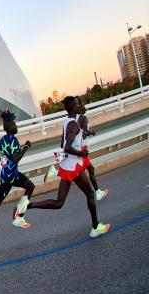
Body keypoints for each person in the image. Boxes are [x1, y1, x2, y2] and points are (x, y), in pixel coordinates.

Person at [25, 97, 111, 237]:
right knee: (90, 194)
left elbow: (62, 144)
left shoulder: (66, 122)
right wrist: (80, 152)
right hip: (73, 167)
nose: (79, 105)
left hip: (68, 166)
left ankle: (28, 205)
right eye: (77, 104)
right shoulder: (76, 124)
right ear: (74, 108)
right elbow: (66, 147)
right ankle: (95, 227)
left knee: (59, 203)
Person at [78, 101, 108, 201]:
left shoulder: (74, 119)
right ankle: (97, 193)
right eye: (83, 105)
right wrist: (92, 132)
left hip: (78, 148)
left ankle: (97, 192)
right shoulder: (83, 118)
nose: (85, 107)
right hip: (82, 149)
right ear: (79, 107)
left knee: (82, 170)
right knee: (88, 169)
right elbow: (86, 132)